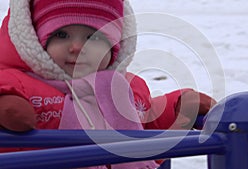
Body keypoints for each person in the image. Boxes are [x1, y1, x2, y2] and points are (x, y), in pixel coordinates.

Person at [0, 0, 216, 168]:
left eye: (92, 37)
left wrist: (177, 107)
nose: (76, 46)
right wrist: (6, 104)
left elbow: (147, 121)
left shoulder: (125, 88)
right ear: (36, 41)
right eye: (61, 34)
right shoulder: (19, 81)